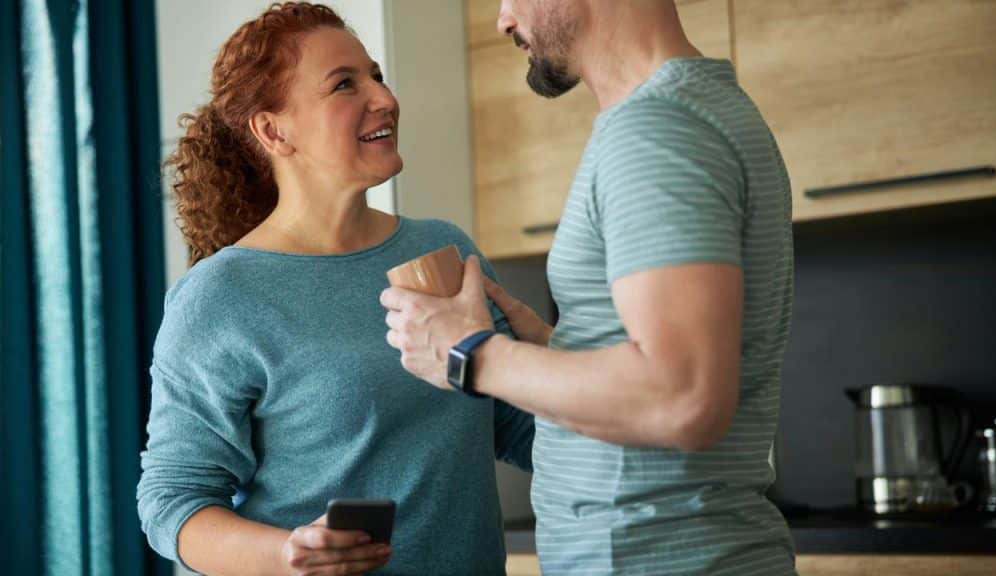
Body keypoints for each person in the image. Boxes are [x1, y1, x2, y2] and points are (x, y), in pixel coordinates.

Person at [380, 0, 795, 574]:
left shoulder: (656, 131)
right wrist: (557, 347)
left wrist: (472, 356)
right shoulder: (683, 113)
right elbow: (662, 370)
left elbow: (684, 397)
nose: (503, 19)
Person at [136, 3, 533, 575]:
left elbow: (520, 426)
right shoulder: (222, 296)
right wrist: (288, 554)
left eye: (377, 74)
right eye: (345, 84)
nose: (383, 98)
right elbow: (172, 502)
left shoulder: (444, 252)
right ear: (273, 130)